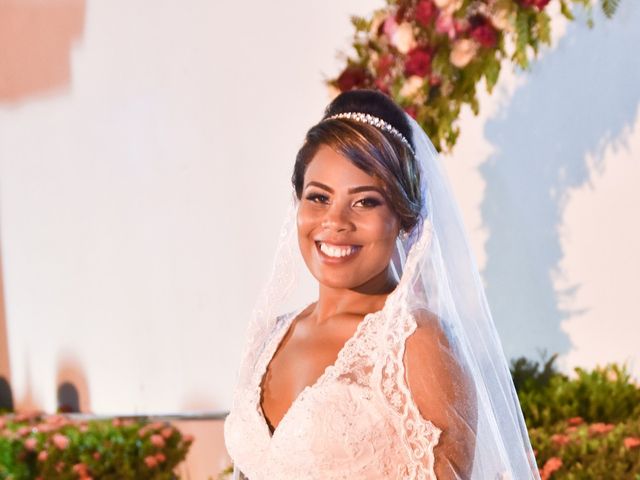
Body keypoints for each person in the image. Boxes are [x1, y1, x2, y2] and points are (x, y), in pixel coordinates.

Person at [224, 89, 540, 479]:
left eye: (365, 201)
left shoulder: (416, 344)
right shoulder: (272, 335)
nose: (335, 221)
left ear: (404, 219)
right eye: (319, 197)